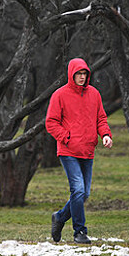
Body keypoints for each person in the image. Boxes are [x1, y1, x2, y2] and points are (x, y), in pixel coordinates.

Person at [45, 58, 112, 244]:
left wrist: (105, 134)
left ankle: (59, 217)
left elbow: (101, 119)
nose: (82, 77)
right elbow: (50, 122)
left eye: (84, 74)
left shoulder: (94, 94)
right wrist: (67, 137)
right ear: (71, 74)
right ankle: (79, 232)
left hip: (88, 150)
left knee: (84, 194)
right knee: (78, 189)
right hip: (68, 151)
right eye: (78, 74)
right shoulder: (60, 95)